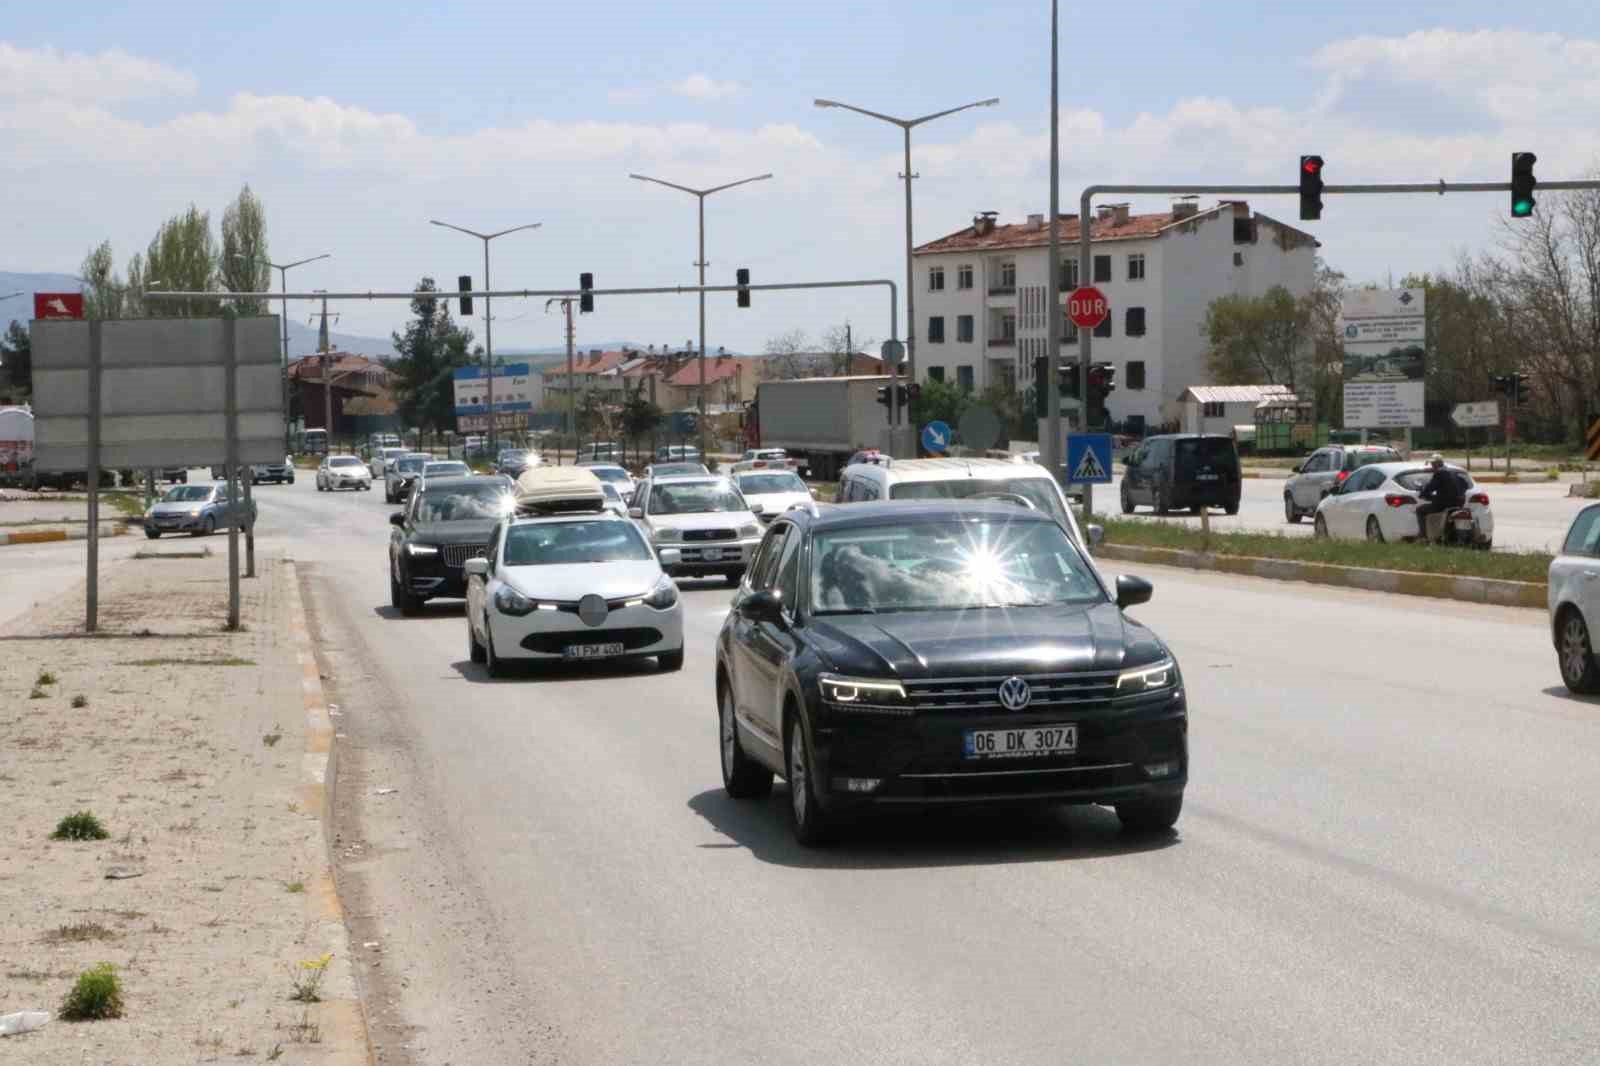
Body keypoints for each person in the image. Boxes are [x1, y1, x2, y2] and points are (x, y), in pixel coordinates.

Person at [1415, 453, 1464, 542]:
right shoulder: (1453, 472)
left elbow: (1430, 487)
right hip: (1458, 503)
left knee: (1420, 510)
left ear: (1437, 464)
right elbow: (1465, 484)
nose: (1432, 465)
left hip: (1443, 504)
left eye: (1433, 464)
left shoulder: (1439, 473)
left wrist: (1423, 493)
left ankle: (1423, 536)